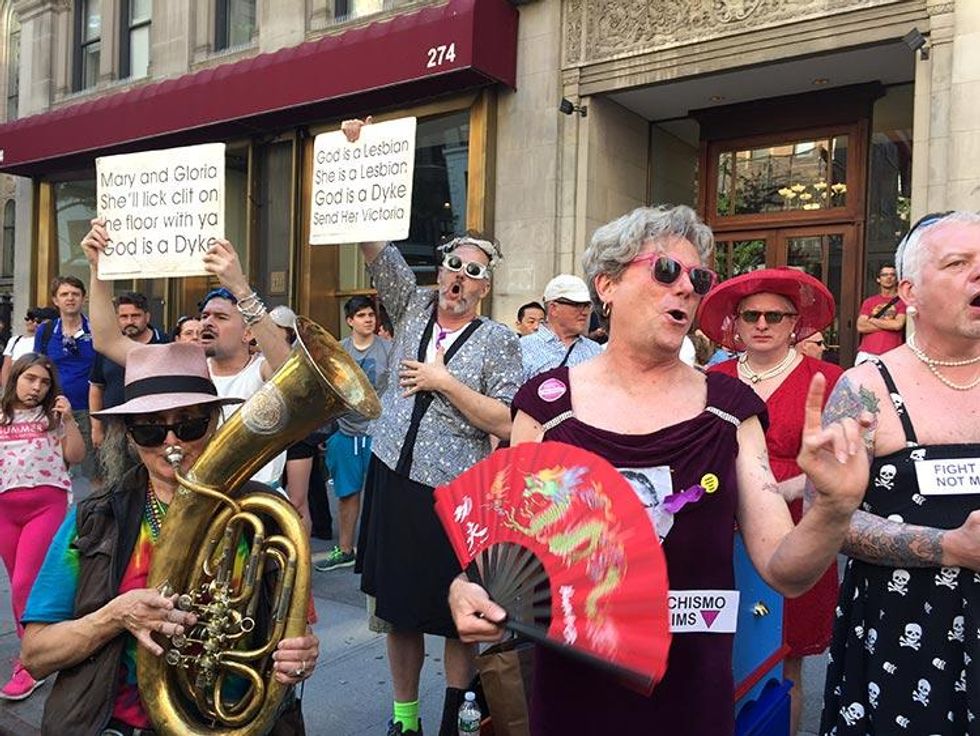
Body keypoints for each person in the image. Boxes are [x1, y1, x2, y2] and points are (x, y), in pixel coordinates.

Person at [448, 205, 871, 735]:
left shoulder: (729, 408)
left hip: (694, 697)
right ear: (606, 284)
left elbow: (786, 571)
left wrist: (832, 508)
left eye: (697, 278)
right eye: (666, 271)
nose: (686, 289)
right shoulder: (547, 405)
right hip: (573, 695)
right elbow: (506, 550)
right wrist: (466, 586)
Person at [18, 341, 319, 736]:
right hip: (119, 724)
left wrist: (301, 654)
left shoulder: (264, 512)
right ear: (128, 437)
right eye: (150, 429)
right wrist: (114, 616)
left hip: (233, 722)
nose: (171, 442)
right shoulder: (94, 518)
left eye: (189, 424)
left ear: (214, 423)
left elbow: (299, 631)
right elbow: (35, 655)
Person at [346, 103, 522, 736]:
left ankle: (452, 718)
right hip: (393, 480)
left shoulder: (501, 341)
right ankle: (405, 719)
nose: (460, 277)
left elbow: (506, 420)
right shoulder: (412, 305)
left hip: (455, 495)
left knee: (457, 615)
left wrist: (446, 382)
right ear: (442, 268)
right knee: (398, 614)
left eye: (474, 272)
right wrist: (361, 158)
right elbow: (374, 246)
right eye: (454, 264)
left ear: (484, 287)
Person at [817, 211, 980, 735]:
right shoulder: (865, 389)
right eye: (959, 263)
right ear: (908, 290)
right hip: (906, 633)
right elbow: (829, 521)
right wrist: (949, 546)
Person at [699, 267, 843, 734]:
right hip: (714, 534)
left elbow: (846, 462)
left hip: (795, 532)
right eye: (751, 315)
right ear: (736, 324)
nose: (762, 325)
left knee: (786, 664)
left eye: (775, 316)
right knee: (712, 654)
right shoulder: (708, 377)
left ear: (795, 324)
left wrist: (786, 489)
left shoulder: (830, 379)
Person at [79, 220, 292, 489]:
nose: (207, 323)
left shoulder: (261, 369)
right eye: (204, 316)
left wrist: (240, 287)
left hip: (251, 500)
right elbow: (108, 340)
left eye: (221, 317)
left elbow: (289, 370)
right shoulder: (184, 367)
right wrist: (99, 269)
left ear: (248, 332)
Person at [0, 354, 84, 700]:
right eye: (30, 379)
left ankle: (30, 664)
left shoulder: (53, 416)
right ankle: (36, 647)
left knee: (24, 583)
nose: (36, 387)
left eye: (44, 382)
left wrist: (70, 422)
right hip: (5, 509)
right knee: (17, 579)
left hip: (45, 506)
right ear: (15, 378)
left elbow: (76, 457)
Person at [317, 295, 392, 572]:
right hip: (345, 432)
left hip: (379, 434)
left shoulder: (389, 348)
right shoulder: (339, 350)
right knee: (347, 495)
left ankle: (380, 552)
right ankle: (345, 550)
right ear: (350, 321)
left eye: (370, 315)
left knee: (382, 497)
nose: (368, 319)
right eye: (361, 315)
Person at [34, 275, 98, 479]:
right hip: (52, 410)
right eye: (64, 294)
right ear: (55, 300)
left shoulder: (96, 329)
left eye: (75, 294)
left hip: (88, 411)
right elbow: (37, 367)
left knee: (94, 472)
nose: (70, 298)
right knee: (51, 469)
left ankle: (93, 511)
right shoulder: (45, 331)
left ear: (84, 298)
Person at [89, 292, 166, 451]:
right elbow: (96, 388)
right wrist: (96, 427)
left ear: (147, 317)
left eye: (135, 316)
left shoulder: (165, 344)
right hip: (114, 429)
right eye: (124, 317)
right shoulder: (106, 349)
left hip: (153, 429)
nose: (130, 321)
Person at [520, 275, 602, 382]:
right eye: (577, 305)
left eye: (587, 306)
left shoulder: (595, 350)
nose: (585, 312)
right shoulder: (523, 348)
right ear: (553, 308)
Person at [855, 263, 906, 365]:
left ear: (896, 279)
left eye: (892, 275)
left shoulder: (902, 301)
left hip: (892, 353)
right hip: (867, 352)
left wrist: (873, 320)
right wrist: (889, 324)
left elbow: (897, 325)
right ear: (878, 279)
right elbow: (861, 326)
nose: (888, 277)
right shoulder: (869, 302)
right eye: (884, 275)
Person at [2, 308, 56, 385]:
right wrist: (6, 389)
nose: (32, 323)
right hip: (14, 384)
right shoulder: (15, 340)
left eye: (37, 321)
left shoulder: (48, 342)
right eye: (27, 319)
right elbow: (6, 367)